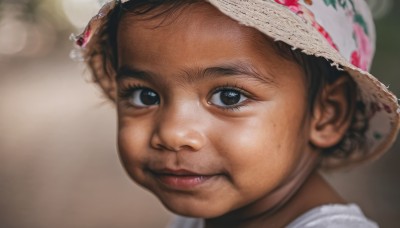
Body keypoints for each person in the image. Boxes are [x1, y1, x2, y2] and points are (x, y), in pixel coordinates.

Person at [72, 0, 400, 227]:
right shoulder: (205, 216)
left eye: (228, 97)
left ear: (327, 113)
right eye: (146, 95)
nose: (172, 133)